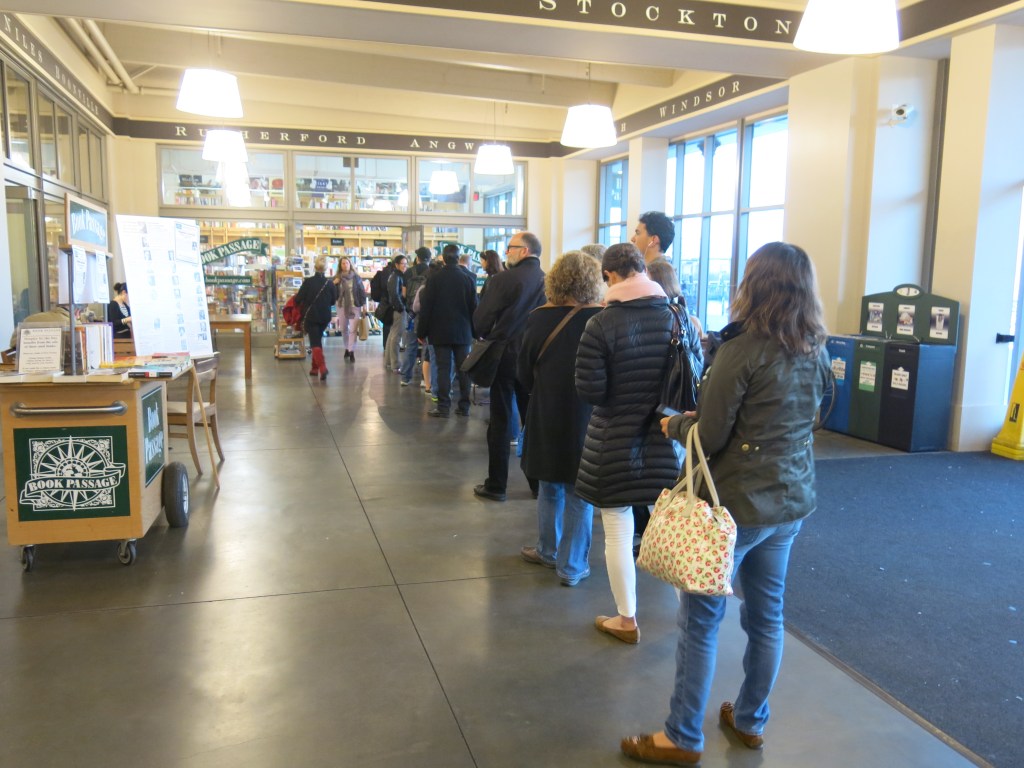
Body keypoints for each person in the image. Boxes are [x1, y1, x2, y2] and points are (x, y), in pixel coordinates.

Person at [620, 242, 830, 767]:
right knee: (767, 617)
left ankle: (682, 736)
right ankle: (751, 721)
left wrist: (675, 423)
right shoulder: (815, 346)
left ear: (753, 284)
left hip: (731, 510)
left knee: (700, 623)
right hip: (790, 502)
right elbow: (811, 419)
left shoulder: (741, 350)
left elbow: (710, 436)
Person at [574, 242, 681, 644]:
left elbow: (592, 390)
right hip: (665, 435)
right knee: (668, 527)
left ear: (610, 276)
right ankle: (691, 614)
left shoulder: (600, 324)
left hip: (612, 439)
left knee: (617, 531)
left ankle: (627, 619)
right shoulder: (674, 315)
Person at [517, 251, 603, 587]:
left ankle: (547, 550)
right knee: (579, 490)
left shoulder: (539, 317)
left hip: (546, 410)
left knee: (550, 485)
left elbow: (523, 372)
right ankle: (572, 565)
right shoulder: (603, 317)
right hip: (588, 414)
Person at [472, 231, 546, 502]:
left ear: (524, 251)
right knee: (533, 421)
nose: (506, 252)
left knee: (501, 420)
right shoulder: (549, 281)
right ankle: (538, 484)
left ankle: (497, 484)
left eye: (510, 248)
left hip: (504, 356)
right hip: (537, 358)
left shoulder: (503, 280)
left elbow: (480, 321)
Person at [416, 243, 477, 417]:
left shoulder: (434, 279)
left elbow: (426, 308)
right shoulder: (468, 278)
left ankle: (443, 407)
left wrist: (422, 332)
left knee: (443, 368)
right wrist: (475, 331)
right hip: (463, 332)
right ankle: (464, 406)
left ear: (443, 258)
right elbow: (474, 307)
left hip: (440, 331)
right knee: (463, 369)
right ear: (458, 258)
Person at [294, 254, 338, 381]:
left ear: (314, 267)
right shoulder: (329, 284)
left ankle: (323, 368)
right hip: (325, 316)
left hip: (311, 316)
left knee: (315, 342)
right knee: (317, 340)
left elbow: (298, 299)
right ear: (325, 269)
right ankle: (314, 368)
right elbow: (333, 301)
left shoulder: (308, 282)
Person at [333, 257, 366, 363]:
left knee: (353, 329)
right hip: (341, 306)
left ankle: (351, 350)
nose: (345, 265)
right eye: (343, 263)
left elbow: (362, 291)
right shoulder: (336, 278)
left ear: (350, 264)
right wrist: (334, 283)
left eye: (347, 263)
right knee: (343, 329)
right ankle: (347, 347)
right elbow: (331, 292)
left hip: (354, 305)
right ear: (340, 265)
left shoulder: (356, 277)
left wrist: (364, 305)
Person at [384, 254, 409, 374]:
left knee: (392, 335)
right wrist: (401, 307)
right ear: (396, 265)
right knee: (396, 337)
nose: (405, 266)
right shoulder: (396, 277)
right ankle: (395, 364)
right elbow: (394, 294)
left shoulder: (395, 275)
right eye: (403, 264)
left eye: (406, 263)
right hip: (398, 309)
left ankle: (389, 362)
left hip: (395, 309)